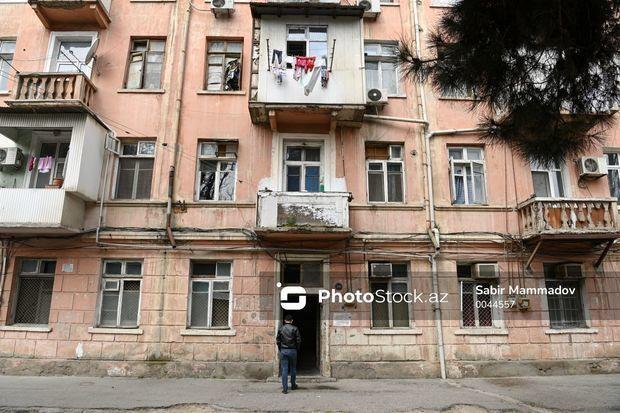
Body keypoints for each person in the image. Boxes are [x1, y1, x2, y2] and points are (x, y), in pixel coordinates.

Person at [276, 314, 301, 394]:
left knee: (284, 369)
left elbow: (278, 340)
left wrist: (280, 349)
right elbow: (298, 340)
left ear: (284, 320)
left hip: (283, 350)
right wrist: (296, 349)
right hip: (292, 350)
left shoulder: (281, 329)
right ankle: (293, 385)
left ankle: (285, 388)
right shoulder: (295, 328)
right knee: (293, 368)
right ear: (292, 321)